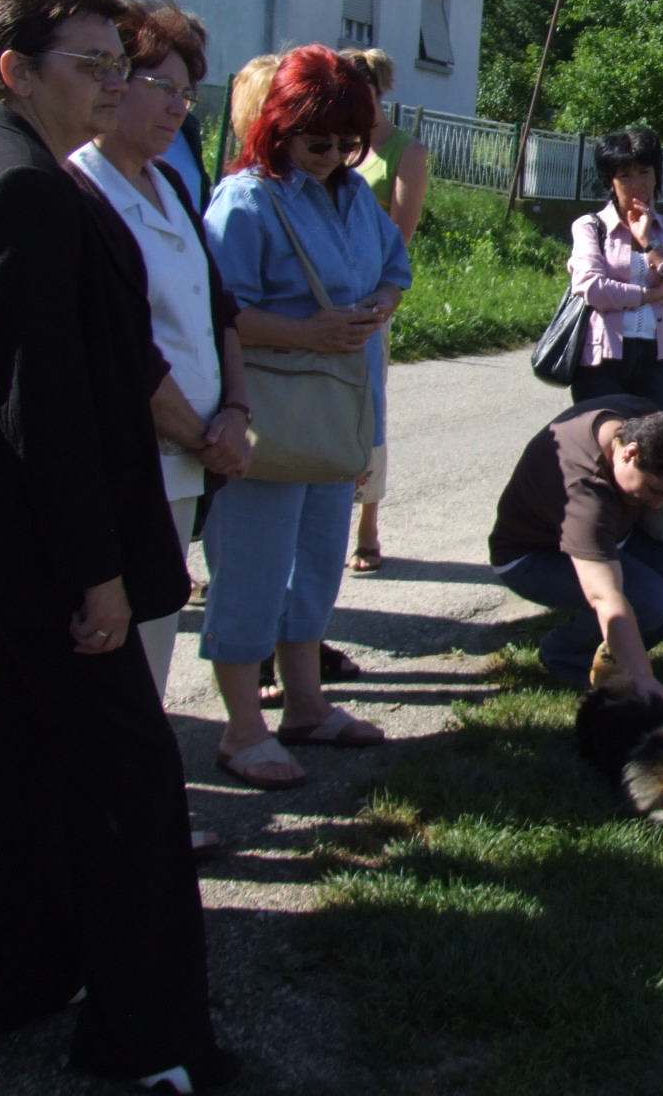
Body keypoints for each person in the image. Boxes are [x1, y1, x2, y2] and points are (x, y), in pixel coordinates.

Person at [0, 0, 235, 1089]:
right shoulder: (18, 188)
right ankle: (150, 1044)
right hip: (49, 557)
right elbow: (39, 409)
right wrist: (96, 575)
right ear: (16, 70)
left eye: (118, 63)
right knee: (131, 787)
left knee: (35, 769)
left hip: (22, 551)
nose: (111, 82)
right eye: (91, 64)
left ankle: (21, 981)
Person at [200, 46, 411, 790]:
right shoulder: (246, 201)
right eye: (317, 143)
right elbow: (217, 311)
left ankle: (306, 705)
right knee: (251, 568)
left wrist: (379, 305)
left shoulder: (351, 195)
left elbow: (395, 268)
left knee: (318, 561)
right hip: (267, 413)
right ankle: (241, 729)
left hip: (337, 410)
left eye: (349, 144)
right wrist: (306, 332)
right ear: (277, 127)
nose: (333, 158)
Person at [70, 1, 252, 702]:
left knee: (153, 648)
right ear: (112, 81)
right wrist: (205, 434)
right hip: (130, 459)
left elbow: (217, 307)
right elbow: (119, 347)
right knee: (115, 663)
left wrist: (236, 409)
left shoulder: (170, 181)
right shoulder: (78, 188)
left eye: (187, 92)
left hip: (187, 460)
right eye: (163, 87)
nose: (179, 107)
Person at [490, 398, 663, 697]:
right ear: (630, 453)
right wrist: (644, 680)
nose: (656, 504)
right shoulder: (585, 490)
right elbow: (605, 595)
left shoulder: (638, 419)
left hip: (615, 538)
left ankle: (618, 658)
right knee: (649, 600)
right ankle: (567, 656)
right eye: (654, 490)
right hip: (533, 556)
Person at [347, 48, 430, 574]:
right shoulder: (335, 144)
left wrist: (374, 292)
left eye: (365, 94)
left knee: (368, 406)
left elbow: (400, 236)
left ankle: (368, 525)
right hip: (321, 294)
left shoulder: (405, 150)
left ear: (379, 93)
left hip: (371, 295)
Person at [567, 127, 663, 411]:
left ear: (656, 175)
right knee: (608, 436)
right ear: (610, 180)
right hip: (601, 359)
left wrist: (650, 243)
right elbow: (592, 287)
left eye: (644, 172)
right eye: (625, 175)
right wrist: (651, 295)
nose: (637, 183)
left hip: (655, 356)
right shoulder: (590, 227)